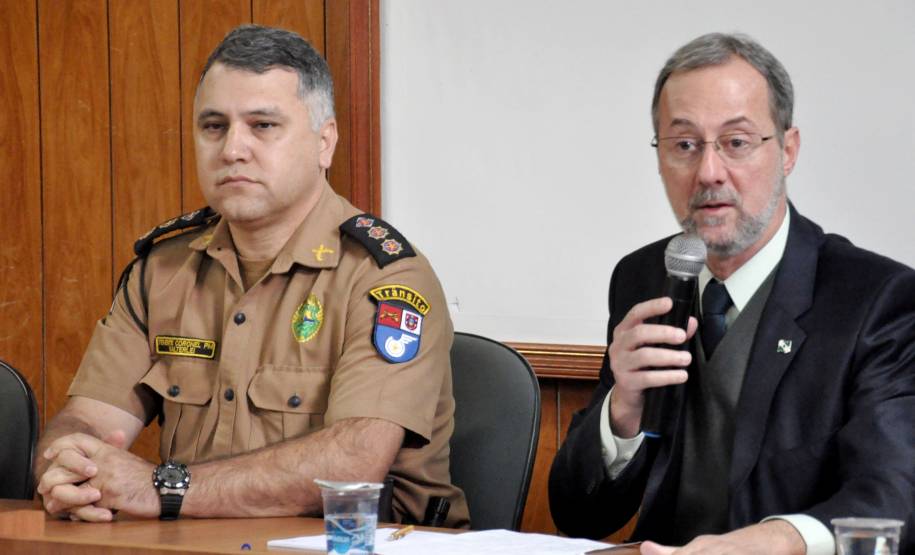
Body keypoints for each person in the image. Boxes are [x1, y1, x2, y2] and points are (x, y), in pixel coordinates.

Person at [34, 24, 469, 528]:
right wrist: (68, 469)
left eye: (262, 125)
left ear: (324, 142)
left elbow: (353, 463)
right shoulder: (164, 271)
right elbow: (89, 420)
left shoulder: (384, 279)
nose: (231, 149)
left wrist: (161, 487)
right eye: (214, 126)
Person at [549, 32, 914, 554]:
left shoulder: (876, 300)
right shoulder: (641, 279)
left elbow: (891, 496)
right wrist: (622, 412)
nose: (709, 172)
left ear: (787, 151)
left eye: (736, 143)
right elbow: (579, 514)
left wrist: (777, 540)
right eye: (684, 145)